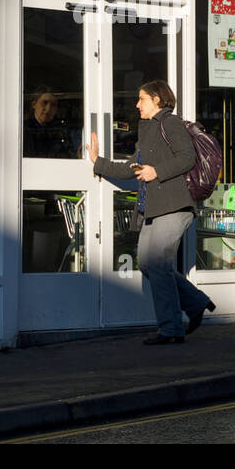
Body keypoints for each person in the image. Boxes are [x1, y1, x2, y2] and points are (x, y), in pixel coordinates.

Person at [86, 79, 215, 345]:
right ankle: (195, 302)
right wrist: (97, 161)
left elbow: (186, 157)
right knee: (147, 263)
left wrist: (157, 171)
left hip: (175, 205)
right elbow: (132, 168)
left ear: (157, 99)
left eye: (141, 98)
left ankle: (170, 329)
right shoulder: (146, 129)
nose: (137, 104)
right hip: (153, 207)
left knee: (157, 265)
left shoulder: (170, 123)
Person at [24, 85, 77, 158]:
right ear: (34, 104)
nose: (48, 109)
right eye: (44, 102)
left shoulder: (62, 131)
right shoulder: (24, 129)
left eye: (53, 105)